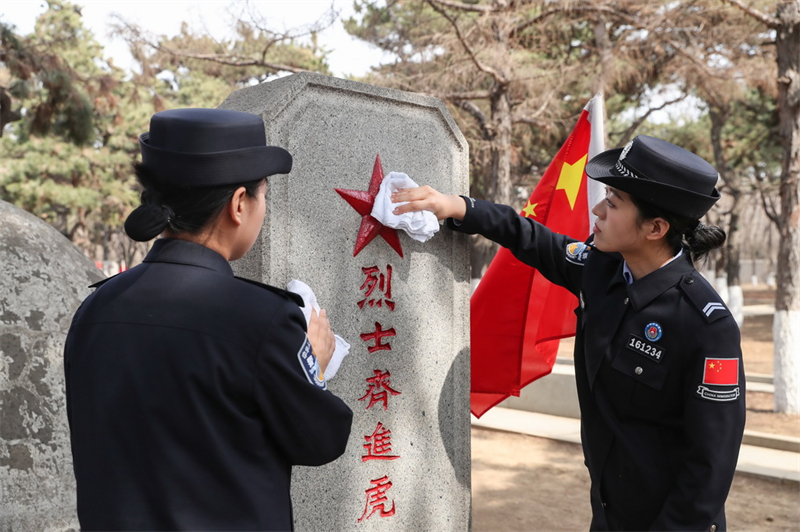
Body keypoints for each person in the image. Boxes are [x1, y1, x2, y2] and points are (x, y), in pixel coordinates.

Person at [393, 135, 745, 531]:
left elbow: (711, 466)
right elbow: (530, 237)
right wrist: (459, 207)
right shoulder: (603, 271)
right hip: (610, 513)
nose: (598, 210)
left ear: (655, 227)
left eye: (613, 203)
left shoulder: (704, 325)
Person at [64, 108, 353, 531]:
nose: (263, 209)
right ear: (238, 204)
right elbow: (321, 440)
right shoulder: (265, 319)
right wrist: (315, 367)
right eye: (263, 196)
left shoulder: (95, 309)